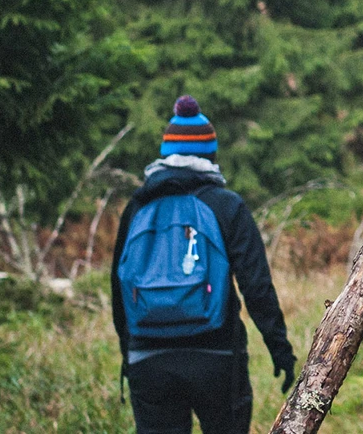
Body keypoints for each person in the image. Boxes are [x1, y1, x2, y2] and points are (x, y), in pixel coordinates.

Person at [111, 96, 296, 433]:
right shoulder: (226, 206)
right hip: (216, 354)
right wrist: (279, 349)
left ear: (166, 155)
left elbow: (118, 285)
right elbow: (256, 286)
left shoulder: (137, 207)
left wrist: (130, 353)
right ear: (211, 154)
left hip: (148, 358)